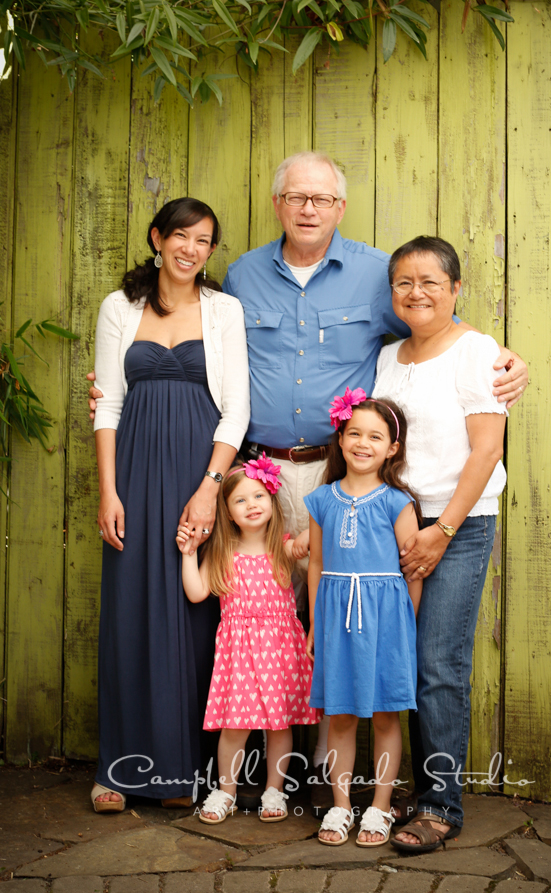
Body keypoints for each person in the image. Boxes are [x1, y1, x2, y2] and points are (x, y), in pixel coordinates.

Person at [87, 152, 528, 812]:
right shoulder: (241, 276)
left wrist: (500, 360)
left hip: (339, 473)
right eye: (295, 197)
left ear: (339, 208)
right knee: (257, 613)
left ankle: (330, 783)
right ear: (277, 204)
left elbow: (428, 323)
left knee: (335, 626)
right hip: (263, 472)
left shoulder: (378, 277)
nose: (308, 209)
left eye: (321, 199)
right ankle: (257, 777)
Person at [91, 198, 249, 812]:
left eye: (204, 240)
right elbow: (107, 403)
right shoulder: (118, 306)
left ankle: (183, 771)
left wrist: (211, 486)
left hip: (198, 466)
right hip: (131, 467)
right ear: (158, 238)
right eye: (180, 236)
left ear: (212, 251)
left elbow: (237, 407)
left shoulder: (224, 309)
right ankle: (119, 771)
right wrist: (109, 489)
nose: (190, 249)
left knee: (195, 612)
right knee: (130, 609)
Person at [371, 236, 507, 853]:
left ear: (456, 288)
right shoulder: (388, 356)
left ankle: (440, 807)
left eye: (431, 281)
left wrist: (442, 530)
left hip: (458, 523)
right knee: (399, 661)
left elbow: (487, 449)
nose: (416, 292)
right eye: (404, 282)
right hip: (397, 523)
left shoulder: (477, 352)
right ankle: (418, 787)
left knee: (438, 665)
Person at [305, 391, 422, 847]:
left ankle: (378, 806)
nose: (362, 443)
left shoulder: (396, 502)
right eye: (354, 433)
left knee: (386, 714)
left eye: (375, 436)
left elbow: (412, 569)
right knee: (341, 714)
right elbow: (315, 563)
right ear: (340, 437)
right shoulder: (320, 500)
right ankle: (340, 805)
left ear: (392, 448)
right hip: (337, 615)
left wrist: (406, 623)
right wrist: (316, 621)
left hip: (386, 618)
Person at [176, 455, 320, 824]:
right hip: (238, 652)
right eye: (240, 500)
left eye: (258, 496)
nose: (251, 505)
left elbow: (312, 547)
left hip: (280, 649)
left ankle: (275, 789)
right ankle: (226, 791)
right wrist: (189, 554)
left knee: (279, 723)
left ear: (272, 502)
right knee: (234, 725)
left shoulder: (284, 549)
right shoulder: (224, 552)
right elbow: (196, 592)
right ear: (226, 512)